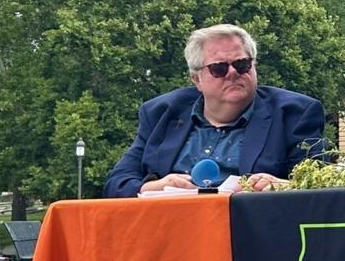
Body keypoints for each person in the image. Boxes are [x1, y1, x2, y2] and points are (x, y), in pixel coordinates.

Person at [105, 24, 325, 196]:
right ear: (196, 79)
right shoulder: (161, 113)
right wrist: (154, 187)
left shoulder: (295, 114)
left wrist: (284, 186)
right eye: (219, 68)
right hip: (171, 234)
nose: (233, 73)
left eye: (242, 65)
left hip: (255, 236)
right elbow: (117, 183)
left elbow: (324, 185)